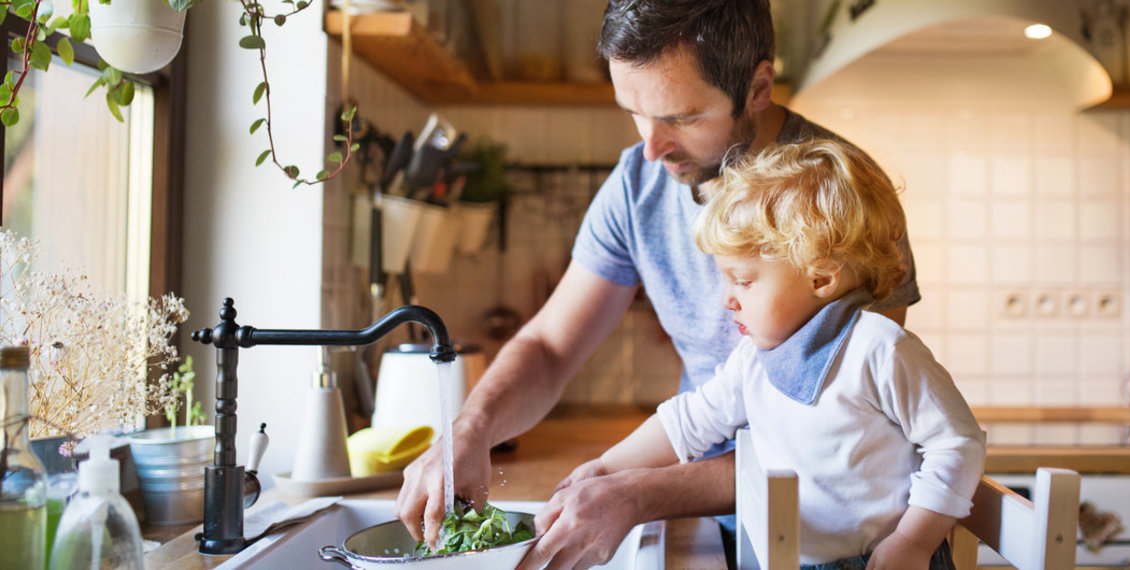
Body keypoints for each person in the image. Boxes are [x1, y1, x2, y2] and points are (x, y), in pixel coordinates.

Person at [395, 1, 922, 568]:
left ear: (758, 86)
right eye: (634, 112)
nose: (651, 147)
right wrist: (469, 434)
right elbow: (549, 348)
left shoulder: (845, 201)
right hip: (716, 517)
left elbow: (835, 438)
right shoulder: (637, 183)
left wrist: (645, 491)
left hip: (839, 535)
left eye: (684, 117)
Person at [568, 139, 984, 570]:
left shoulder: (880, 349)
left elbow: (958, 445)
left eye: (743, 281)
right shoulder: (755, 359)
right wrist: (604, 468)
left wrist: (914, 542)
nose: (727, 300)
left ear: (821, 278)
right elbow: (689, 421)